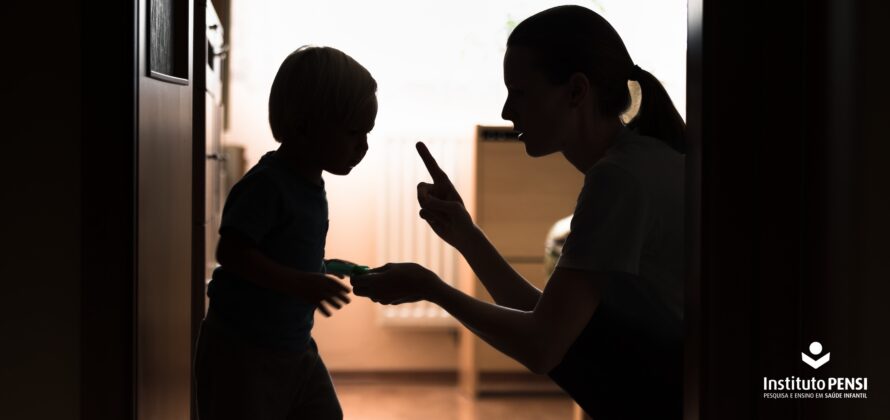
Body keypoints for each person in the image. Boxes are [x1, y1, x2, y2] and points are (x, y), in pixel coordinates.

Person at [351, 5, 684, 419]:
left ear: (576, 92)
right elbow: (546, 322)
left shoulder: (619, 179)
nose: (508, 111)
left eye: (520, 92)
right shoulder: (636, 161)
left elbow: (541, 347)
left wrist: (433, 289)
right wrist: (466, 235)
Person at [194, 45, 378, 420]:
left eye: (367, 133)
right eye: (353, 132)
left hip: (292, 347)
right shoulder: (267, 185)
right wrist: (300, 283)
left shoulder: (310, 185)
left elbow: (279, 251)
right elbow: (233, 253)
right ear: (302, 126)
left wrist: (321, 266)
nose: (364, 146)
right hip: (243, 351)